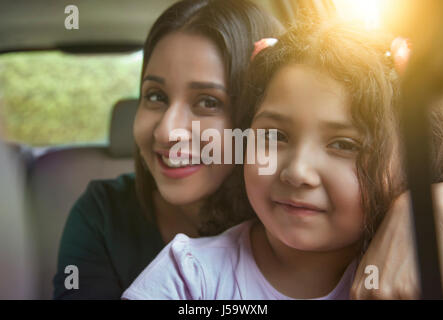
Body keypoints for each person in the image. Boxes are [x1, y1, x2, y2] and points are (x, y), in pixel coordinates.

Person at [121, 16, 443, 299]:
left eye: (345, 145)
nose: (297, 171)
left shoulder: (418, 271)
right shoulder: (188, 278)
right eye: (275, 136)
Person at [52, 0, 282, 299]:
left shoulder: (295, 221)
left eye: (208, 102)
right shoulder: (102, 214)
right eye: (156, 96)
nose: (166, 131)